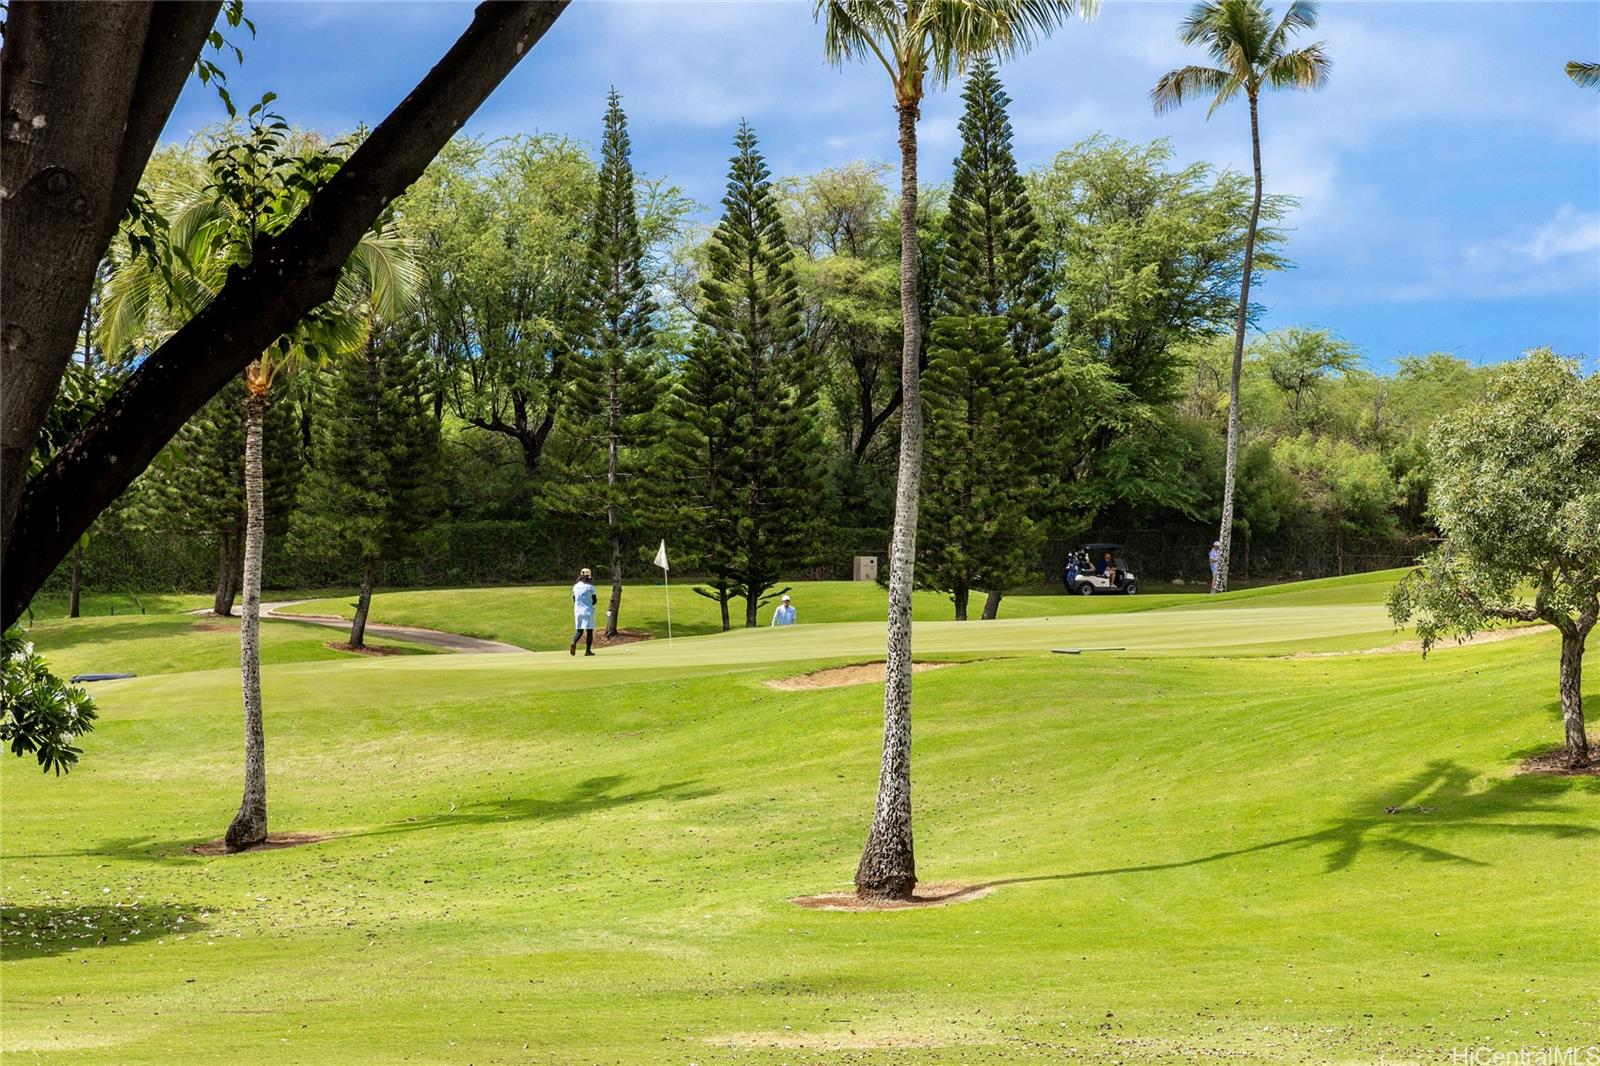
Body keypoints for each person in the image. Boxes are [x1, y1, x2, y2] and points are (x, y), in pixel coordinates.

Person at [570, 567, 597, 656]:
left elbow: (574, 599)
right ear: (588, 577)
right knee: (589, 631)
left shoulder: (575, 586)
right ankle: (588, 651)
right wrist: (590, 604)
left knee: (579, 630)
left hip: (577, 611)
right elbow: (595, 600)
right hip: (588, 611)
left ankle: (574, 642)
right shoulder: (590, 587)